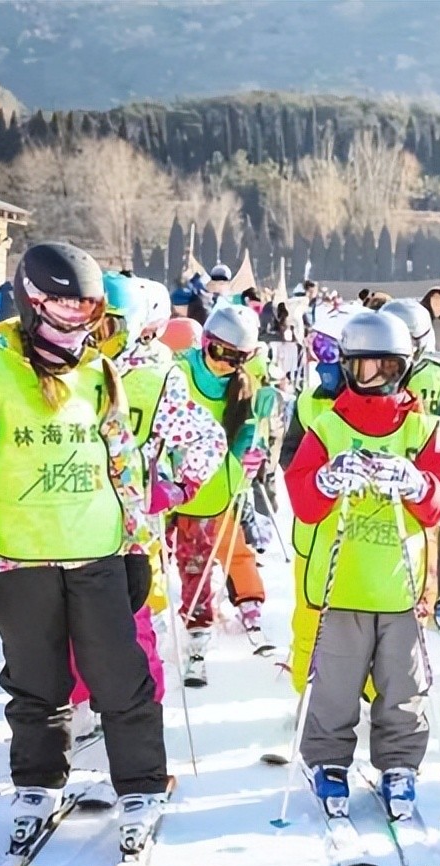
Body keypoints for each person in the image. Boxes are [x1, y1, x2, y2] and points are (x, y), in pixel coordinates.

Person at [0, 241, 169, 851]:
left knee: (121, 677)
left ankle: (140, 784)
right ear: (32, 303)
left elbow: (124, 467)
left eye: (87, 314)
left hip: (96, 551)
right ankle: (38, 782)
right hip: (22, 555)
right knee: (36, 682)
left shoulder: (100, 373)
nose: (75, 327)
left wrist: (137, 547)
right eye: (63, 311)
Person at [284, 311, 440, 819]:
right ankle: (328, 761)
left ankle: (399, 764)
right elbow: (303, 498)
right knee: (335, 683)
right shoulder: (328, 426)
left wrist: (415, 483)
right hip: (342, 584)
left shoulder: (423, 430)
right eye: (365, 369)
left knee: (403, 686)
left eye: (388, 368)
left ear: (404, 368)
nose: (376, 378)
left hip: (399, 586)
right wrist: (326, 480)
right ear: (348, 367)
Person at [72, 274, 226, 737]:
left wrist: (179, 487)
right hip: (67, 518)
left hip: (128, 525)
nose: (96, 339)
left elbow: (207, 439)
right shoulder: (64, 372)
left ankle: (142, 712)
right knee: (71, 621)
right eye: (89, 325)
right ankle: (78, 708)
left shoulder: (155, 378)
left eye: (109, 328)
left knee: (132, 620)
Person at [168, 304, 270, 686]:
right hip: (166, 479)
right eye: (218, 353)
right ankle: (147, 618)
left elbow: (247, 433)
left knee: (197, 561)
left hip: (209, 488)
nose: (225, 365)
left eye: (237, 358)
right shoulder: (178, 372)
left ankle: (199, 629)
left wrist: (249, 455)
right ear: (205, 343)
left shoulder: (244, 384)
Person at [378, 299, 440, 633]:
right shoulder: (373, 369)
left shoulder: (438, 374)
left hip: (424, 462)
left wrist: (437, 428)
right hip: (384, 460)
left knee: (433, 532)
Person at [279, 307, 352, 694]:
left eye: (329, 350)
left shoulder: (380, 405)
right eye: (316, 348)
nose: (321, 361)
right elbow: (289, 457)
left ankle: (368, 692)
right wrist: (319, 479)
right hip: (314, 531)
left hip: (363, 535)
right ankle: (306, 688)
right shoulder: (309, 402)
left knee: (361, 618)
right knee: (309, 613)